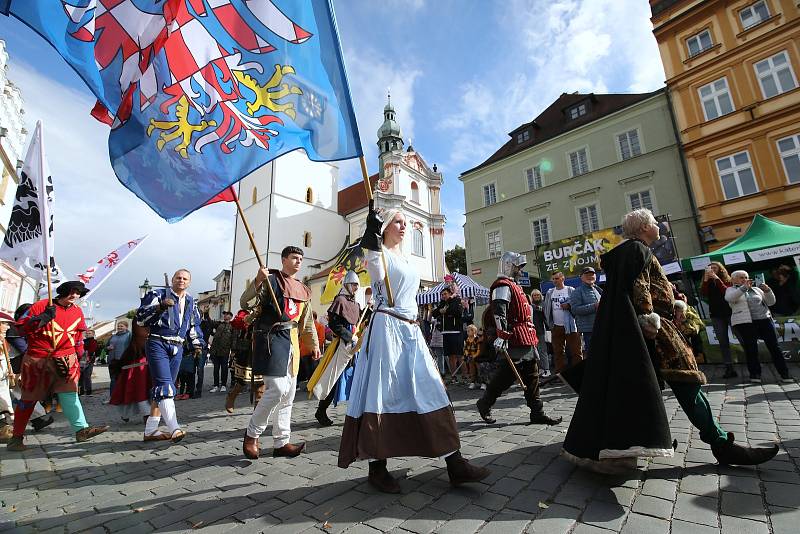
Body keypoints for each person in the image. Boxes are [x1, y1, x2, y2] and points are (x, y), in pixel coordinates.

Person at [562, 209, 778, 473]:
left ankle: (648, 439)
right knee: (688, 383)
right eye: (654, 223)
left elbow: (646, 287)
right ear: (643, 227)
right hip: (657, 332)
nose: (658, 227)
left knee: (641, 389)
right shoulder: (638, 250)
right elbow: (640, 288)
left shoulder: (631, 251)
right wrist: (648, 318)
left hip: (647, 330)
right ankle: (720, 442)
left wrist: (673, 301)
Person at [339, 202, 490, 493]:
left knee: (430, 387)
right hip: (387, 330)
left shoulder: (405, 257)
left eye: (405, 221)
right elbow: (375, 271)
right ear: (384, 229)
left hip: (410, 330)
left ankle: (454, 462)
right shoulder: (379, 253)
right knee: (384, 394)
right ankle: (378, 467)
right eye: (397, 221)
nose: (404, 225)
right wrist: (370, 236)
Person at [7, 281, 109, 451]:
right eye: (72, 292)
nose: (75, 295)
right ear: (63, 292)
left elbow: (78, 334)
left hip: (65, 358)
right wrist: (42, 318)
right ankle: (16, 438)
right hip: (38, 359)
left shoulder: (77, 311)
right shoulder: (41, 305)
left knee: (70, 394)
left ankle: (81, 430)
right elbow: (20, 329)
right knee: (29, 399)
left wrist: (79, 351)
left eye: (78, 293)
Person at [242, 246, 319, 460]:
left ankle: (281, 442)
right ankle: (251, 434)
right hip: (272, 338)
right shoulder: (271, 280)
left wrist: (313, 344)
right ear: (284, 259)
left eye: (301, 259)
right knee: (276, 389)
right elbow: (246, 303)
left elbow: (306, 322)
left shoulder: (303, 289)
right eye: (294, 257)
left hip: (292, 341)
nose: (298, 261)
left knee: (289, 394)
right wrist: (258, 281)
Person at [476, 251, 562, 427]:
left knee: (532, 375)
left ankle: (537, 412)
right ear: (509, 266)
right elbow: (499, 312)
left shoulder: (515, 286)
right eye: (517, 267)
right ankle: (485, 403)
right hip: (513, 337)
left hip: (526, 336)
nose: (520, 271)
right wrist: (503, 336)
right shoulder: (502, 285)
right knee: (506, 376)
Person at [136, 269, 204, 442]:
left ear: (189, 282)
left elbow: (194, 325)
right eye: (178, 277)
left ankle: (151, 430)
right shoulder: (156, 294)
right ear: (173, 279)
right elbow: (140, 318)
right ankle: (175, 428)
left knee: (164, 388)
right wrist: (159, 307)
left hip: (178, 346)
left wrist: (197, 344)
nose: (181, 280)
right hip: (158, 342)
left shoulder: (191, 302)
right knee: (165, 386)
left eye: (185, 278)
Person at [312, 270, 361, 427]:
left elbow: (358, 321)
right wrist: (348, 336)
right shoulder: (339, 300)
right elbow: (334, 324)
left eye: (357, 285)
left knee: (355, 378)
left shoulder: (355, 303)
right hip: (341, 344)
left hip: (353, 346)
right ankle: (321, 410)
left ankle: (356, 412)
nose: (355, 287)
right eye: (353, 284)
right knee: (333, 379)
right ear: (346, 284)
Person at [726, 270, 792, 383]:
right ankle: (755, 374)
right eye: (741, 277)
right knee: (751, 349)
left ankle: (785, 374)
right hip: (745, 322)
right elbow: (730, 299)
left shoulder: (756, 289)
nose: (744, 279)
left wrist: (767, 291)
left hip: (764, 320)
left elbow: (771, 302)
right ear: (733, 280)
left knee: (774, 347)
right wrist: (743, 288)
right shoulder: (731, 289)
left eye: (746, 277)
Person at [5, 304, 52, 433]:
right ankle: (37, 420)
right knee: (20, 394)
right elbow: (24, 348)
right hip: (14, 366)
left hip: (20, 365)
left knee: (21, 394)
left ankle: (37, 419)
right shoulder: (13, 330)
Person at [109, 323, 152, 423]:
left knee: (143, 390)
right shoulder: (134, 334)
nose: (119, 327)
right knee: (136, 390)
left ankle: (145, 414)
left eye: (121, 326)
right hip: (133, 364)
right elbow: (135, 346)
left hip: (142, 363)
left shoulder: (131, 334)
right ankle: (144, 414)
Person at [700, 262, 737, 378]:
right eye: (710, 268)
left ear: (720, 270)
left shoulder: (727, 280)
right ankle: (729, 367)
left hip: (730, 313)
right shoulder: (707, 282)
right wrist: (706, 280)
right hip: (716, 315)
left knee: (741, 337)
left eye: (714, 268)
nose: (712, 270)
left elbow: (726, 291)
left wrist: (717, 279)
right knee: (723, 342)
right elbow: (703, 294)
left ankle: (753, 363)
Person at [225, 309, 264, 413]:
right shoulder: (246, 312)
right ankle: (232, 396)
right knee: (242, 382)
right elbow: (236, 323)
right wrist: (251, 316)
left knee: (261, 384)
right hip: (247, 352)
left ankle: (257, 414)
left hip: (263, 349)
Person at [543, 272, 582, 372]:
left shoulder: (570, 290)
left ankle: (579, 372)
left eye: (556, 278)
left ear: (562, 278)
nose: (554, 281)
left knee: (576, 351)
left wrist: (568, 306)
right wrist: (550, 324)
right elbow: (547, 308)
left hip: (571, 325)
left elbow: (577, 305)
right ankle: (560, 374)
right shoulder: (550, 292)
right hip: (556, 326)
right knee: (558, 352)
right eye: (553, 279)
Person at [432, 286, 464, 382]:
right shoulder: (442, 303)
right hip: (445, 332)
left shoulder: (456, 300)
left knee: (459, 355)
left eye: (445, 294)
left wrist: (445, 310)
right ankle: (453, 377)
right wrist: (441, 310)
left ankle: (465, 376)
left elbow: (457, 312)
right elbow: (434, 313)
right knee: (450, 356)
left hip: (456, 332)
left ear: (450, 293)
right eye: (442, 295)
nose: (443, 296)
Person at [569, 267, 602, 357]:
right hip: (589, 331)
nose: (590, 276)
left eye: (592, 274)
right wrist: (594, 306)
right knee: (593, 355)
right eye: (587, 274)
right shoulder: (577, 292)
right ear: (581, 277)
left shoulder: (597, 290)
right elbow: (575, 310)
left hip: (600, 327)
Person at [209, 311, 234, 393]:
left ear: (230, 316)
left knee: (224, 368)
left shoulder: (232, 326)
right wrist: (206, 313)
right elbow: (211, 323)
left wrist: (233, 351)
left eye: (226, 314)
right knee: (216, 368)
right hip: (215, 350)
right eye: (224, 314)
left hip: (225, 351)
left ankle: (223, 385)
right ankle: (215, 385)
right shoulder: (219, 324)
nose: (225, 315)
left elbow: (233, 339)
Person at [106, 321, 132, 396]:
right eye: (118, 326)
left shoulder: (129, 335)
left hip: (123, 360)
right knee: (113, 379)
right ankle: (112, 397)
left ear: (126, 327)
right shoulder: (113, 336)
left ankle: (124, 397)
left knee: (123, 379)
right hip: (112, 360)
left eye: (122, 326)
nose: (119, 327)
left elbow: (132, 347)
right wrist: (108, 347)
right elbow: (106, 347)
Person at [530, 289, 551, 378]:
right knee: (536, 352)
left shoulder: (543, 304)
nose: (536, 297)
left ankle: (547, 369)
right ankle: (541, 369)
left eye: (538, 295)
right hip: (532, 331)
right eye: (534, 295)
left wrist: (534, 307)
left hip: (542, 331)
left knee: (543, 351)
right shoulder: (531, 305)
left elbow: (544, 312)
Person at [79, 330, 98, 396]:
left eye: (89, 333)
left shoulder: (94, 341)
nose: (87, 334)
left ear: (93, 334)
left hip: (89, 361)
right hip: (81, 361)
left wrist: (83, 352)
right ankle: (81, 391)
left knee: (87, 376)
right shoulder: (83, 341)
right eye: (86, 333)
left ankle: (88, 392)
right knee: (81, 377)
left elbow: (91, 351)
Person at [463, 324, 480, 389]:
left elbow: (478, 349)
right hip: (470, 358)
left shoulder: (477, 339)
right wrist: (467, 354)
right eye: (467, 331)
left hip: (477, 357)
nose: (467, 332)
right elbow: (466, 348)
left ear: (474, 331)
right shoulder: (467, 340)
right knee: (471, 369)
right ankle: (472, 382)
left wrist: (474, 356)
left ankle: (482, 382)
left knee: (479, 369)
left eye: (469, 331)